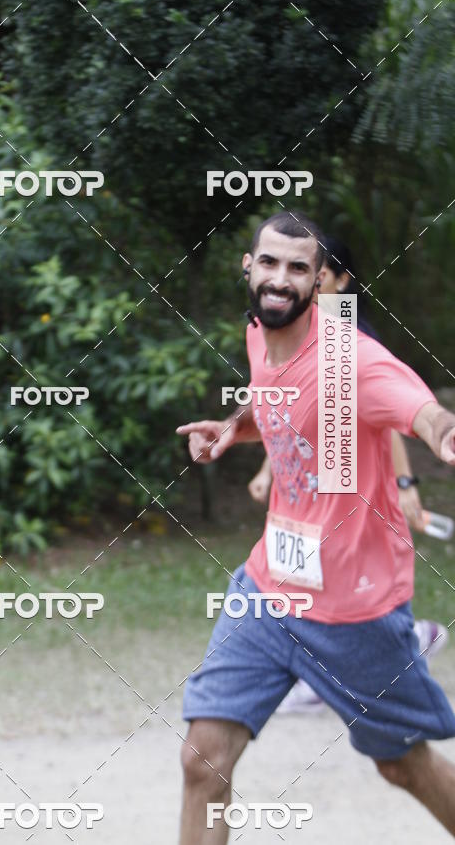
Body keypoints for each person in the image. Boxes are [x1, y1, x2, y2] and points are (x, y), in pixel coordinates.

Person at [176, 211, 455, 843]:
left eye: (298, 268)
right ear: (248, 267)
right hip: (269, 588)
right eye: (269, 263)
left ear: (320, 281)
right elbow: (276, 402)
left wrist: (443, 433)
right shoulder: (258, 333)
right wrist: (233, 429)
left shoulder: (350, 358)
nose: (280, 279)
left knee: (402, 764)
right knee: (203, 758)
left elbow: (421, 409)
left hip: (353, 610)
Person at [245, 236, 448, 714]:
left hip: (348, 477)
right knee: (305, 554)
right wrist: (266, 467)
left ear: (336, 281)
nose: (304, 285)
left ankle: (379, 645)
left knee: (337, 550)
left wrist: (405, 484)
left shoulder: (348, 346)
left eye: (318, 274)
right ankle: (333, 659)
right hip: (308, 493)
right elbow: (286, 413)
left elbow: (395, 420)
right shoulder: (277, 332)